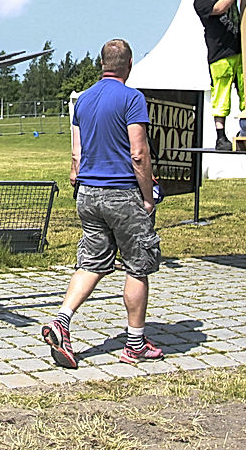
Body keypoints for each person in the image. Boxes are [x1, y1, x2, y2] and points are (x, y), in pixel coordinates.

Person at [41, 39, 163, 368]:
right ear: (130, 64)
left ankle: (62, 321)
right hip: (122, 194)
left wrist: (79, 182)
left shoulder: (83, 100)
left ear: (101, 64)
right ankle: (135, 344)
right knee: (138, 265)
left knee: (91, 263)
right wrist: (148, 198)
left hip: (88, 193)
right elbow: (139, 154)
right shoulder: (132, 98)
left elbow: (76, 155)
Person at [191, 0, 246, 150]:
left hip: (239, 50)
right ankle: (221, 138)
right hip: (219, 55)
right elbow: (219, 7)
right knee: (221, 96)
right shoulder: (200, 2)